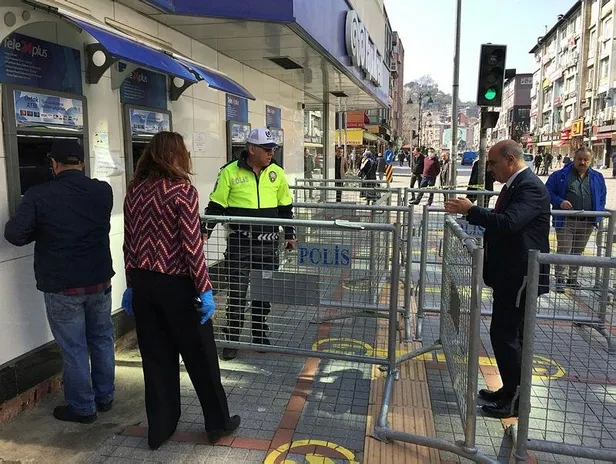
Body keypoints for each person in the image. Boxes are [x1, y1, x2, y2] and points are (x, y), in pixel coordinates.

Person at [122, 131, 239, 449]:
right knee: (202, 357)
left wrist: (131, 285)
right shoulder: (182, 191)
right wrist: (205, 289)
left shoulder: (135, 191)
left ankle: (160, 429)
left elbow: (129, 242)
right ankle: (217, 424)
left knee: (156, 359)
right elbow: (192, 246)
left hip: (144, 284)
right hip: (177, 286)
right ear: (176, 155)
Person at [4, 139, 115, 424]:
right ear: (82, 162)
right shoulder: (103, 191)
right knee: (102, 339)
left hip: (63, 287)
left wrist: (41, 226)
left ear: (53, 164)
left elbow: (15, 234)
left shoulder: (38, 195)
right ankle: (104, 397)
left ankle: (83, 408)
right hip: (100, 282)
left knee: (74, 347)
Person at [444, 140, 550, 419]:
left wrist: (470, 210)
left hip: (520, 277)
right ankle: (509, 391)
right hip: (509, 276)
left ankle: (514, 400)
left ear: (510, 160)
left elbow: (509, 222)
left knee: (506, 337)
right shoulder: (515, 185)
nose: (490, 169)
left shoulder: (529, 187)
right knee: (506, 336)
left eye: (493, 162)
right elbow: (503, 219)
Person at [204, 127, 295, 361]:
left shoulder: (277, 172)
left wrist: (290, 234)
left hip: (268, 246)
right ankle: (232, 337)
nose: (271, 153)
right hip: (240, 245)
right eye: (267, 149)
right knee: (237, 292)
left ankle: (259, 333)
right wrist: (205, 231)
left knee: (263, 292)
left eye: (273, 149)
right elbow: (216, 205)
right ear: (252, 149)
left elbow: (285, 207)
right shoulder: (229, 172)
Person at [546, 147, 607, 292]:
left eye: (586, 160)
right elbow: (547, 191)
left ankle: (572, 278)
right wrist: (559, 202)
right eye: (580, 159)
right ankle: (560, 279)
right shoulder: (560, 175)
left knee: (578, 252)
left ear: (591, 161)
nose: (583, 162)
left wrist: (598, 212)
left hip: (587, 221)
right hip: (566, 220)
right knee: (564, 250)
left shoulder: (597, 177)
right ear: (574, 159)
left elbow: (602, 195)